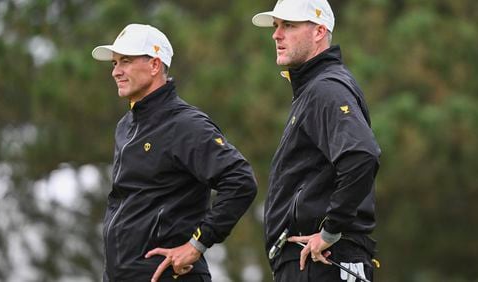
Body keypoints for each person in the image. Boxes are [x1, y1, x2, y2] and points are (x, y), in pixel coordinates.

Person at [91, 23, 257, 282]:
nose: (116, 72)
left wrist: (196, 245)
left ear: (155, 65)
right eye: (114, 63)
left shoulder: (185, 124)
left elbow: (240, 181)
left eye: (125, 61)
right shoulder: (125, 126)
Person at [252, 0, 381, 281]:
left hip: (326, 260)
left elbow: (361, 155)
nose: (276, 34)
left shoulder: (326, 88)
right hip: (309, 263)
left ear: (319, 32)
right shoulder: (312, 90)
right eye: (276, 26)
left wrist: (330, 231)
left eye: (289, 25)